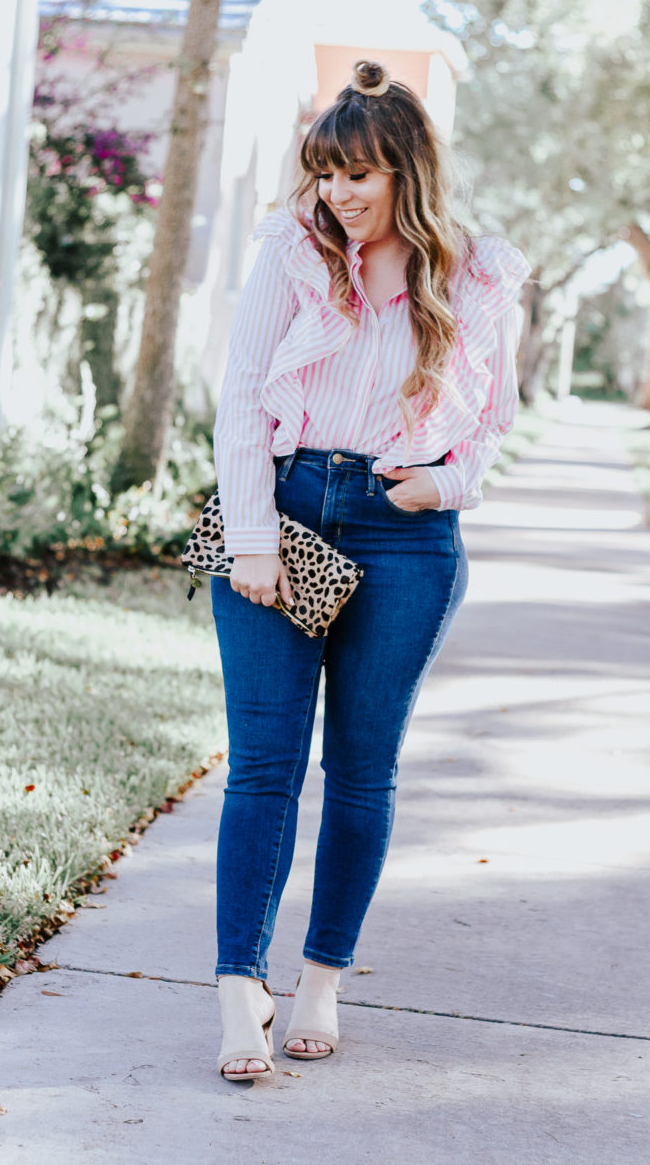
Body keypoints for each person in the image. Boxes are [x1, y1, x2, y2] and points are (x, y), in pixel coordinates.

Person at [210, 60, 530, 1081]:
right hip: (290, 509)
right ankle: (235, 992)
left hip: (402, 535)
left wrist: (446, 488)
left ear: (407, 170)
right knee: (263, 765)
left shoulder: (478, 274)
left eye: (358, 174)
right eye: (325, 174)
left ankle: (318, 981)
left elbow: (491, 423)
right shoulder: (290, 252)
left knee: (359, 770)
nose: (339, 196)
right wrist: (251, 536)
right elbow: (241, 401)